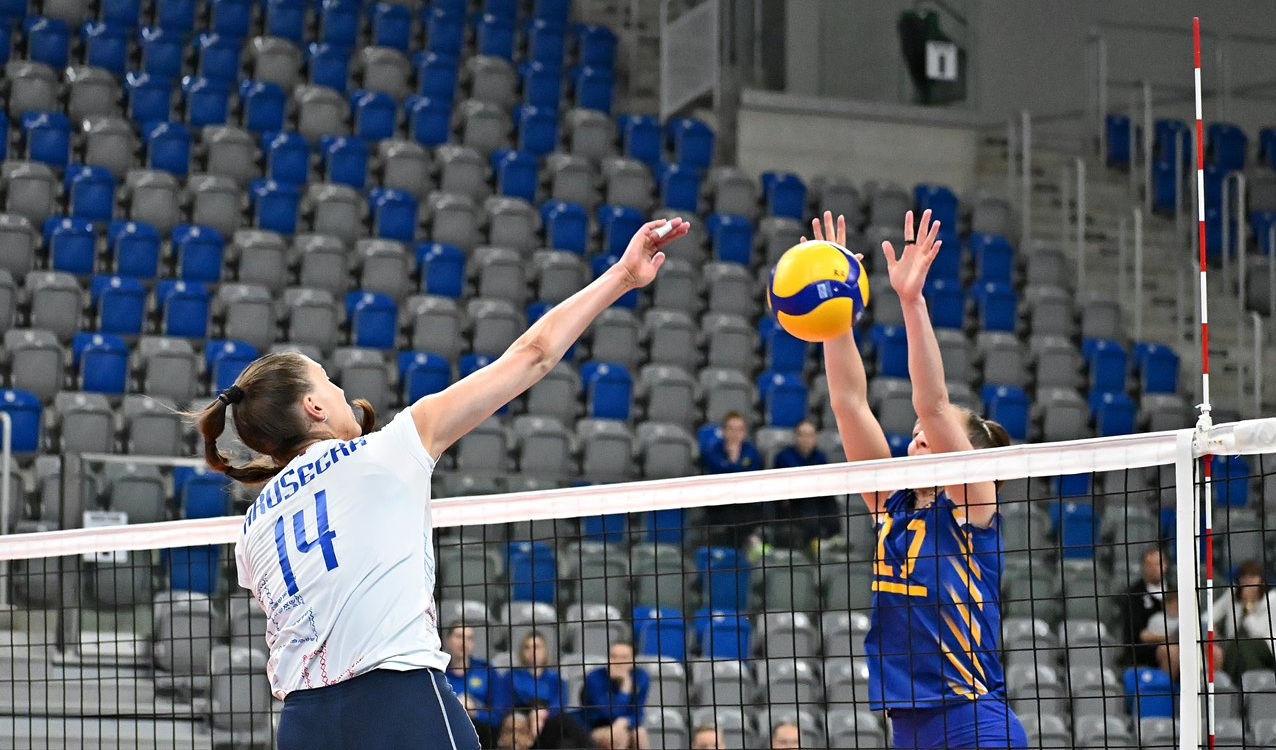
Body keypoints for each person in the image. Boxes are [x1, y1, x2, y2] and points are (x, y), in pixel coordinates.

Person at [197, 218, 687, 750]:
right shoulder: (386, 451)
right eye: (329, 382)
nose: (340, 390)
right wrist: (622, 275)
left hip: (303, 724)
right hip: (398, 703)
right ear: (314, 406)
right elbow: (533, 354)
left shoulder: (252, 527)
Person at [812, 209, 1026, 749]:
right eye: (914, 436)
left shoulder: (973, 507)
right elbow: (848, 402)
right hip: (907, 730)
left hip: (975, 723)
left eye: (930, 437)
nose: (917, 441)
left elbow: (931, 403)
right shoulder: (892, 504)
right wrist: (835, 311)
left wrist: (911, 301)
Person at [508, 630, 593, 749]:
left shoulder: (555, 678)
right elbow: (512, 701)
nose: (532, 651)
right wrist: (534, 711)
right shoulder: (512, 676)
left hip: (548, 725)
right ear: (522, 651)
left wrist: (542, 713)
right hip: (525, 724)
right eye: (527, 647)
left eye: (537, 647)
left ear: (545, 650)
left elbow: (561, 702)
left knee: (566, 741)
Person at [772, 419, 842, 555]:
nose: (806, 439)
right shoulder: (783, 457)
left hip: (815, 504)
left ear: (815, 438)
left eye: (810, 435)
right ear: (795, 437)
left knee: (829, 496)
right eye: (802, 435)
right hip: (791, 505)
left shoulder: (820, 457)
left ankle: (834, 536)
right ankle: (814, 541)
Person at [701, 412, 766, 552]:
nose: (735, 433)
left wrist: (731, 465)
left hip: (745, 501)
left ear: (744, 432)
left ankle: (746, 547)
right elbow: (721, 474)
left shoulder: (752, 452)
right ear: (723, 431)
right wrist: (734, 460)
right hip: (720, 501)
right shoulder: (712, 450)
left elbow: (750, 477)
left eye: (739, 429)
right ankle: (750, 543)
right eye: (731, 429)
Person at [1208, 560, 1276, 677]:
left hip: (1267, 647)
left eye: (1253, 576)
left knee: (1241, 646)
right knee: (1235, 647)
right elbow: (1209, 615)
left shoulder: (1272, 599)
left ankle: (1243, 681)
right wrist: (1211, 628)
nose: (1248, 580)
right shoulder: (1233, 594)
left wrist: (1248, 604)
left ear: (1261, 579)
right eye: (1244, 577)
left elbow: (1258, 633)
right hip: (1234, 646)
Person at [444, 624, 510, 747]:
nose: (464, 642)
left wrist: (475, 713)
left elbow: (498, 715)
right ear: (447, 640)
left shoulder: (486, 670)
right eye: (459, 636)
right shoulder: (438, 672)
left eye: (469, 638)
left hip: (481, 733)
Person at [579, 641, 651, 749]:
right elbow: (609, 713)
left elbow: (638, 713)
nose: (618, 662)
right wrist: (625, 686)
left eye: (624, 658)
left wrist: (625, 721)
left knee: (640, 733)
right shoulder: (594, 677)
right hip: (594, 727)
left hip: (625, 726)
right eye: (613, 656)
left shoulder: (641, 676)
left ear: (633, 661)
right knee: (617, 736)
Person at [1121, 546, 1169, 668]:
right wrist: (1168, 638)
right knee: (1169, 651)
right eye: (1151, 565)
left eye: (1158, 564)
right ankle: (1165, 680)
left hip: (1177, 642)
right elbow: (1136, 633)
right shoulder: (1133, 594)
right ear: (1143, 567)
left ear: (1165, 565)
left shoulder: (1175, 590)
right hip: (1144, 649)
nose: (1155, 569)